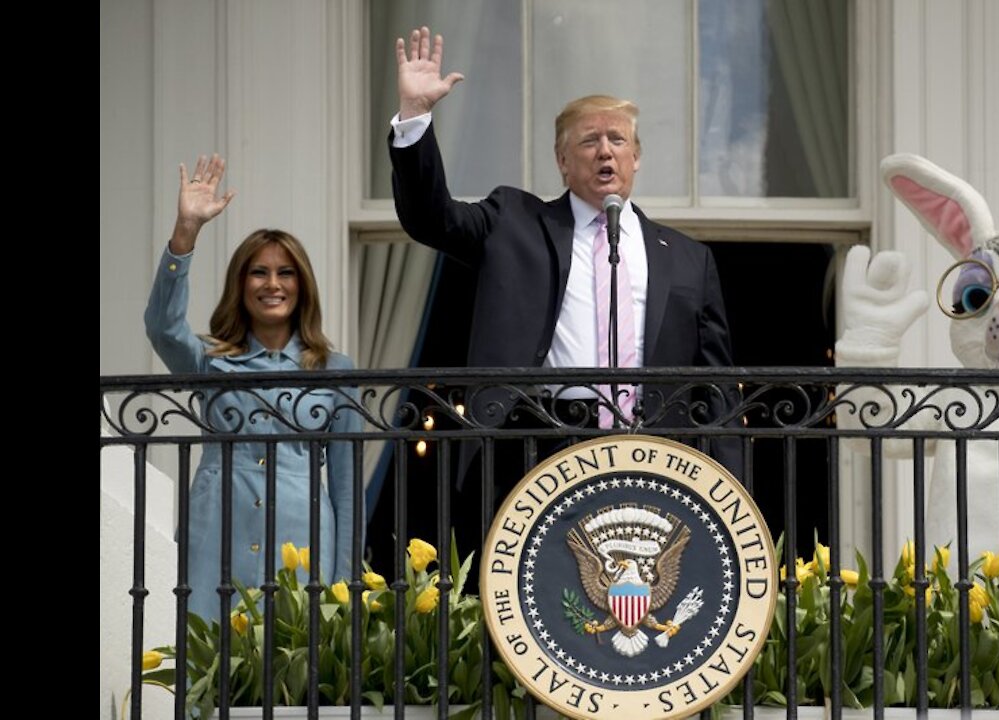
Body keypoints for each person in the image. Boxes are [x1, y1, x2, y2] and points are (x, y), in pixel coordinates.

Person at [385, 27, 741, 557]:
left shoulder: (688, 257)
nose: (605, 152)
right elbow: (430, 218)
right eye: (588, 141)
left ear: (636, 157)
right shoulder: (514, 222)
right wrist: (415, 116)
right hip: (537, 445)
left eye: (617, 140)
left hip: (657, 456)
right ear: (562, 159)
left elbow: (716, 386)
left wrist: (731, 493)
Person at [144, 154, 359, 621]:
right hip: (219, 529)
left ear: (302, 286)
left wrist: (344, 586)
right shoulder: (211, 361)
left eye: (285, 273)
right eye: (259, 272)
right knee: (205, 668)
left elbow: (346, 488)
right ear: (241, 284)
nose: (272, 284)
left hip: (303, 540)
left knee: (295, 680)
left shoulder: (334, 371)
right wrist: (186, 234)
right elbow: (163, 329)